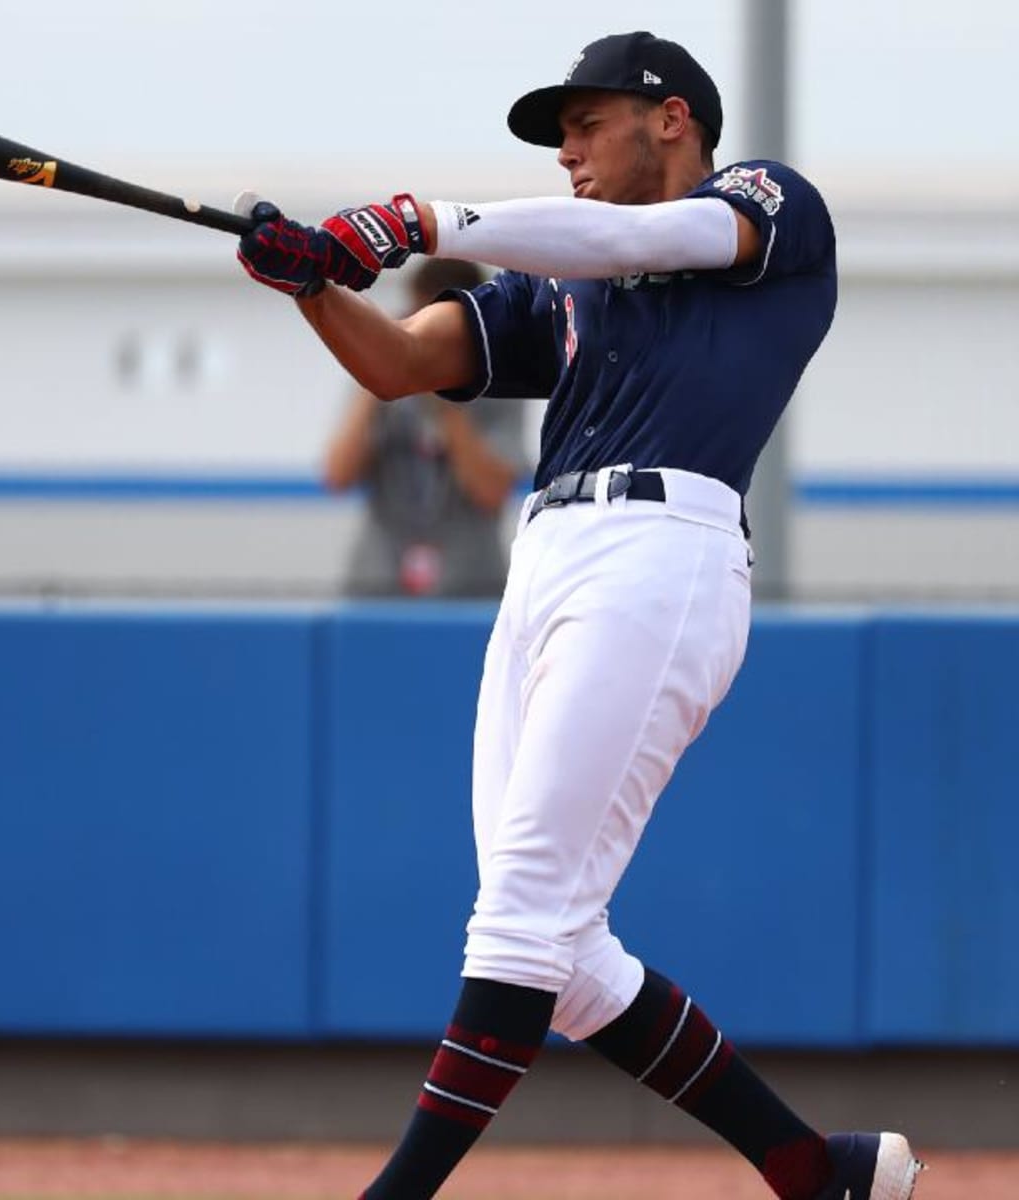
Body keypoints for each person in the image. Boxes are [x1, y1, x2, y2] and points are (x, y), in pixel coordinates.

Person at [236, 30, 922, 1200]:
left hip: (664, 550)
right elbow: (400, 361)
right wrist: (313, 283)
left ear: (673, 119)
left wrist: (418, 221)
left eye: (585, 122)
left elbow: (649, 239)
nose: (567, 151)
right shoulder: (562, 286)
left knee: (518, 919)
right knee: (563, 957)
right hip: (547, 563)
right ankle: (812, 1168)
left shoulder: (767, 207)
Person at [322, 258, 527, 599]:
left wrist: (445, 396)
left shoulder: (503, 385)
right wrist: (374, 374)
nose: (427, 339)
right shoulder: (382, 386)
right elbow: (337, 475)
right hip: (378, 584)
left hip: (471, 587)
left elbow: (491, 491)